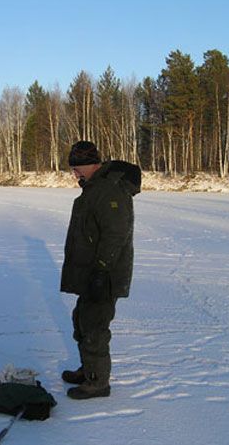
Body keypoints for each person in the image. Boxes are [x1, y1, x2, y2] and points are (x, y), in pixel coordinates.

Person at [60, 140, 141, 399]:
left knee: (94, 325)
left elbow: (115, 234)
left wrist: (101, 270)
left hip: (104, 275)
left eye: (77, 168)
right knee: (82, 320)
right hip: (92, 272)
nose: (74, 174)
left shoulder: (109, 190)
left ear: (91, 163)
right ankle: (88, 369)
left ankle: (97, 383)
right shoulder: (94, 187)